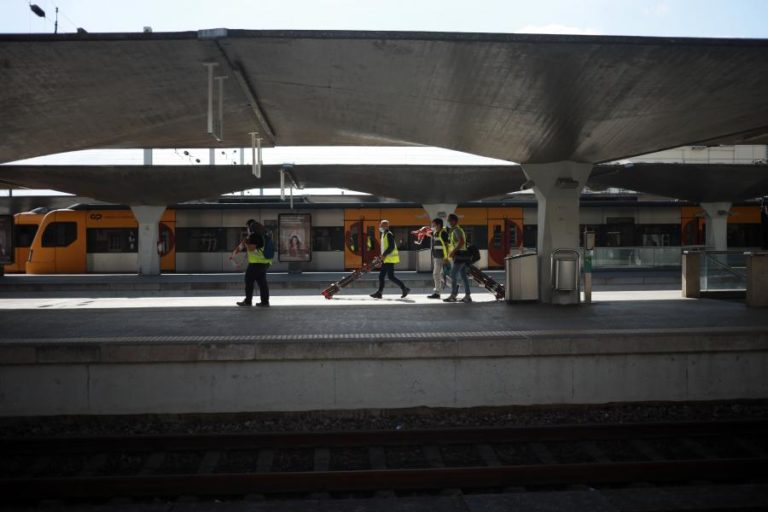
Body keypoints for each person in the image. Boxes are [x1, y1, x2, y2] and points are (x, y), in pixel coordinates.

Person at [232, 219, 272, 307]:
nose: (247, 229)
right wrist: (234, 254)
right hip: (265, 262)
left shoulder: (254, 236)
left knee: (249, 280)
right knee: (262, 282)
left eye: (247, 227)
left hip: (256, 263)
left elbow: (251, 248)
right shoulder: (264, 235)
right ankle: (265, 302)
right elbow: (241, 246)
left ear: (250, 226)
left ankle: (248, 301)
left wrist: (246, 243)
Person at [370, 219, 410, 299]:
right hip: (387, 259)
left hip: (389, 259)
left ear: (386, 226)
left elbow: (391, 247)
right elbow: (385, 247)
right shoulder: (384, 234)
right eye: (380, 225)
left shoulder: (388, 234)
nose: (380, 226)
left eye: (381, 225)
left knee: (385, 276)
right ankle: (380, 293)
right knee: (387, 276)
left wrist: (384, 255)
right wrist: (381, 256)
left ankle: (381, 293)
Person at [444, 213, 472, 303]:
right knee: (463, 276)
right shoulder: (456, 230)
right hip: (462, 255)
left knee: (453, 274)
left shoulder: (456, 230)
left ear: (454, 221)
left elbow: (461, 242)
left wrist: (453, 251)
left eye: (449, 220)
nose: (448, 222)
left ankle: (453, 295)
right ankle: (467, 296)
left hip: (460, 255)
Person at [426, 217, 450, 299]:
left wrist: (446, 257)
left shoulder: (443, 233)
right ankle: (455, 286)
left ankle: (437, 292)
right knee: (440, 275)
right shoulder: (436, 232)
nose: (432, 226)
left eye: (434, 224)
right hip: (436, 256)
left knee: (436, 274)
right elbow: (428, 233)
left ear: (438, 225)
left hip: (441, 257)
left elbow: (447, 245)